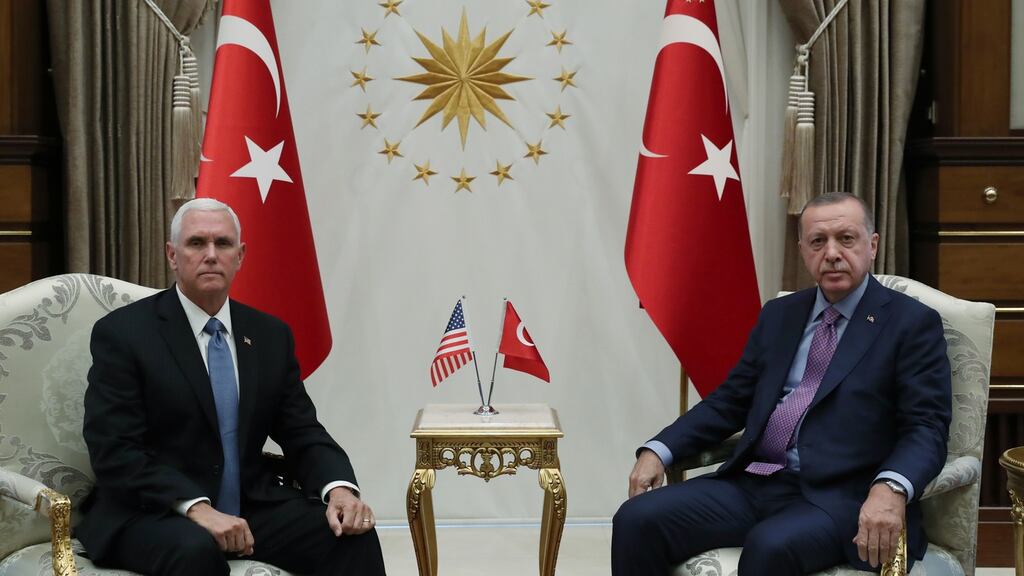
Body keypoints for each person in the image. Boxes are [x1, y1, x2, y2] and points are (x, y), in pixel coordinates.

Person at [612, 192, 951, 576]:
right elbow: (729, 401)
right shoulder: (780, 315)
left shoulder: (911, 323)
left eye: (847, 238)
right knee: (636, 519)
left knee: (770, 546)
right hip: (756, 482)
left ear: (872, 245)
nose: (833, 253)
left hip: (844, 496)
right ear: (803, 250)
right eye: (818, 241)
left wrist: (890, 488)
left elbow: (926, 427)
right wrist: (659, 449)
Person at [77, 198, 386, 575]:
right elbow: (115, 450)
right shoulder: (124, 334)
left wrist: (339, 490)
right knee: (195, 550)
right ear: (172, 256)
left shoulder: (269, 334)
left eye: (222, 244)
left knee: (352, 536)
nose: (210, 255)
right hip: (152, 511)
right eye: (196, 244)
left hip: (249, 506)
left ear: (239, 256)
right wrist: (196, 508)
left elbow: (302, 430)